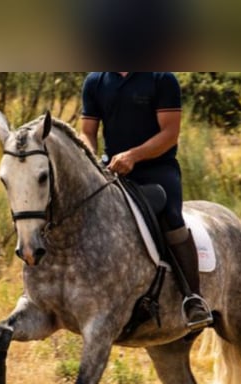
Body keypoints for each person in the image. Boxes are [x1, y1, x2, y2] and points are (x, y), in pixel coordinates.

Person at [80, 72, 213, 330]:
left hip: (157, 169)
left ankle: (193, 298)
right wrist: (90, 157)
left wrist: (133, 156)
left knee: (172, 218)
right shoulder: (95, 81)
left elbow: (170, 134)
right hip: (113, 168)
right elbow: (87, 131)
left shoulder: (162, 79)